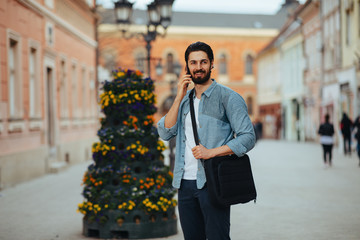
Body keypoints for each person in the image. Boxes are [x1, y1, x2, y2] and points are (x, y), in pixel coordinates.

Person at [157, 41, 256, 240]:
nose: (198, 67)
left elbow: (248, 137)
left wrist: (211, 152)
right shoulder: (184, 100)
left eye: (203, 62)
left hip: (213, 182)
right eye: (193, 63)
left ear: (211, 64)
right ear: (187, 67)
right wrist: (178, 97)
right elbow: (165, 133)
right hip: (185, 184)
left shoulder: (228, 97)